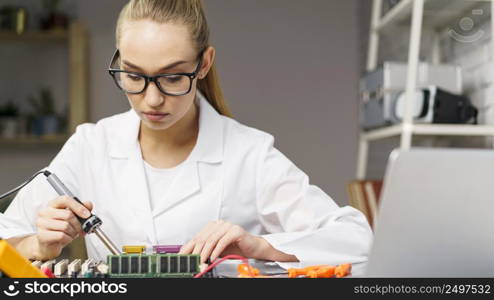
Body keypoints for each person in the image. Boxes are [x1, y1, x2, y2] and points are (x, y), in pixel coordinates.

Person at [1, 0, 372, 267]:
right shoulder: (91, 146)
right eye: (133, 75)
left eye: (173, 77)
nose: (151, 99)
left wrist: (260, 245)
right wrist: (37, 243)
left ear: (204, 64)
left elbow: (357, 239)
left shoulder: (248, 153)